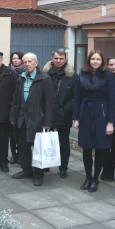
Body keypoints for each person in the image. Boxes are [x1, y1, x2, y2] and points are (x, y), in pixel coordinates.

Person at [72, 49, 115, 193]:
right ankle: (88, 177)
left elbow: (112, 100)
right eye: (92, 59)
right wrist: (76, 118)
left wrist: (110, 122)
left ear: (102, 61)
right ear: (89, 60)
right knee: (86, 148)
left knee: (100, 148)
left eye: (98, 59)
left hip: (101, 115)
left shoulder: (108, 76)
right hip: (85, 113)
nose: (95, 61)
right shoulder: (82, 75)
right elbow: (77, 97)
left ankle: (96, 178)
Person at [10, 53, 53, 186]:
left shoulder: (45, 79)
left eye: (30, 61)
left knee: (38, 148)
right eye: (25, 62)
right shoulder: (21, 78)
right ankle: (26, 170)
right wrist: (13, 116)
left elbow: (49, 103)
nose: (27, 64)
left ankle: (38, 174)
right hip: (22, 118)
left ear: (36, 63)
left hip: (37, 120)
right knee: (23, 147)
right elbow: (16, 99)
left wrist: (47, 122)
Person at [43, 48, 77, 178]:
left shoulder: (72, 76)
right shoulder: (45, 74)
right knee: (46, 141)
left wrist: (66, 108)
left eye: (61, 58)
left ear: (65, 59)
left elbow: (76, 96)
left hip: (64, 115)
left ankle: (63, 168)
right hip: (48, 114)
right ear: (52, 59)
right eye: (56, 58)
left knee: (64, 143)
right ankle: (45, 165)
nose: (58, 61)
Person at [101, 56, 115, 181]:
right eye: (111, 64)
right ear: (107, 66)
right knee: (104, 146)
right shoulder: (104, 79)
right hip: (105, 116)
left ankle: (110, 171)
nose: (113, 67)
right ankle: (105, 168)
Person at [8, 51, 24, 165]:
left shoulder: (25, 72)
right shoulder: (8, 72)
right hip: (10, 106)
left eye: (18, 58)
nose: (16, 60)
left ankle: (20, 154)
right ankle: (13, 153)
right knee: (12, 134)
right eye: (14, 58)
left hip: (22, 107)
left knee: (21, 133)